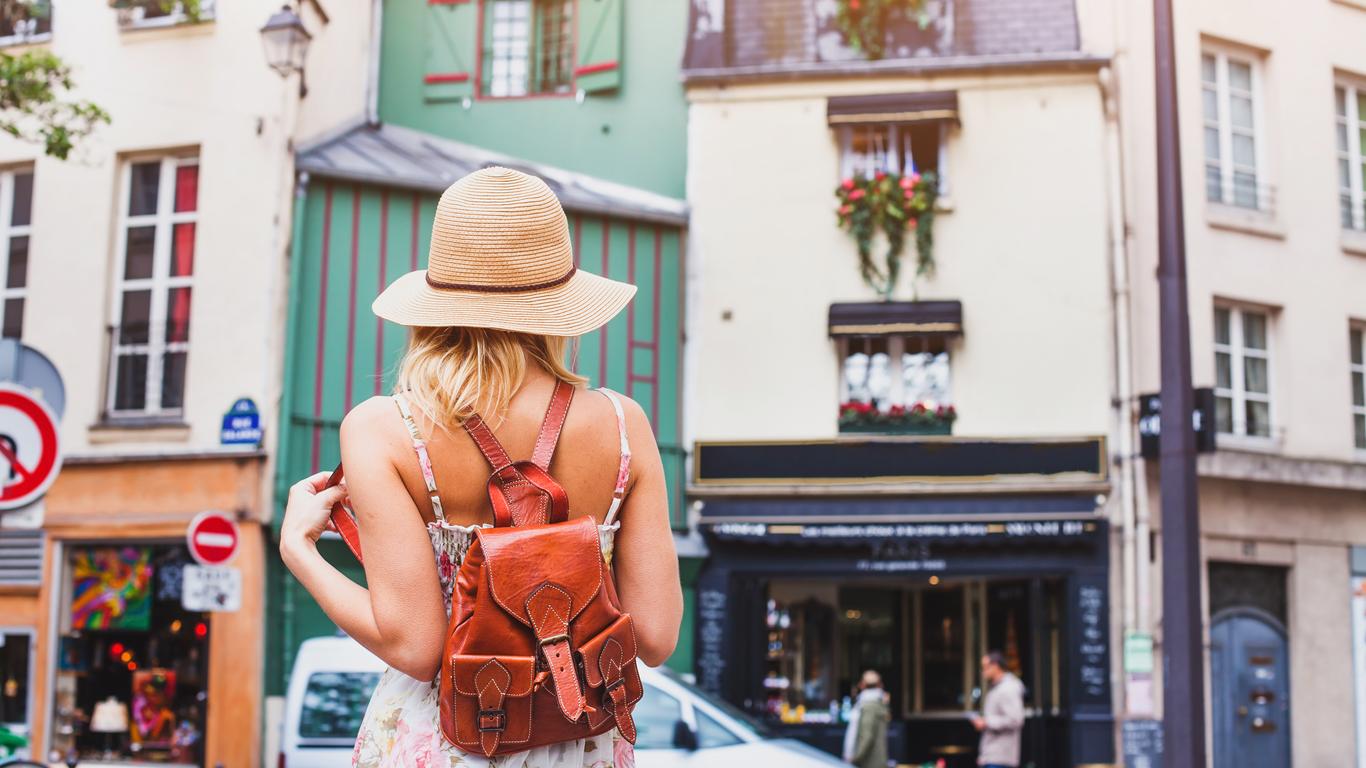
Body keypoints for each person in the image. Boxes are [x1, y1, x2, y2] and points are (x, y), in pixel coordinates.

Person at [279, 167, 684, 768]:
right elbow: (655, 637)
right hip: (582, 741)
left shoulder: (384, 430)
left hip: (445, 739)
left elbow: (417, 648)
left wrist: (298, 549)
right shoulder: (624, 426)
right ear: (560, 303)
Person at [971, 651, 1025, 768]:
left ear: (995, 666)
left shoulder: (1008, 688)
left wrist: (986, 722)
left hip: (1002, 758)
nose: (983, 672)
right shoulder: (996, 688)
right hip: (992, 755)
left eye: (985, 667)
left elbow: (1016, 720)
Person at [843, 670, 889, 768]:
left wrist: (855, 758)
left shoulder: (869, 706)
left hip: (870, 763)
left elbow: (867, 736)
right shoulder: (876, 703)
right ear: (879, 684)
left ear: (862, 685)